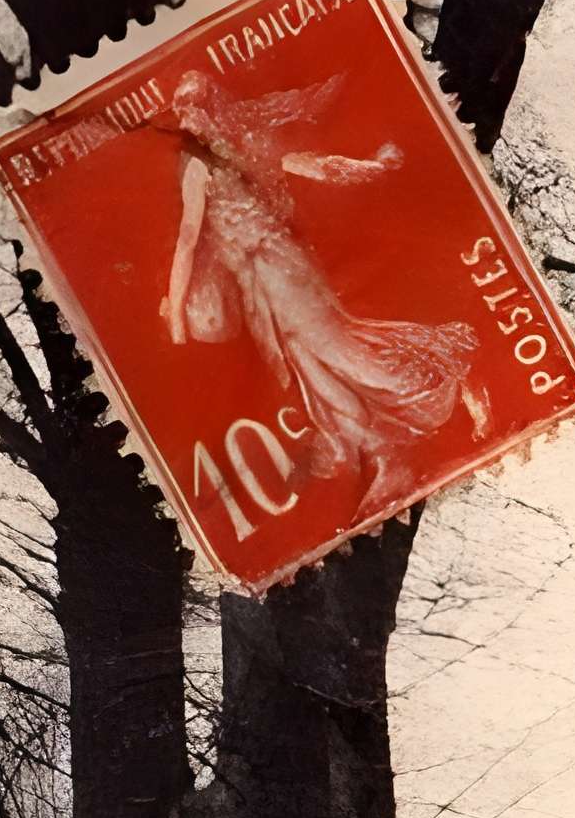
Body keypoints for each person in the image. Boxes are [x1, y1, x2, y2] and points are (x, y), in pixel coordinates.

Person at [159, 66, 487, 514]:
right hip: (259, 285)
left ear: (211, 107)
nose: (188, 118)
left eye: (194, 106)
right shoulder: (196, 160)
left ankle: (449, 369)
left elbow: (307, 166)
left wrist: (370, 168)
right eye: (181, 109)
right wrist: (178, 309)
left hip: (281, 269)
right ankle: (386, 459)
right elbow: (190, 237)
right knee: (311, 373)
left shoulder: (234, 148)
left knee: (337, 350)